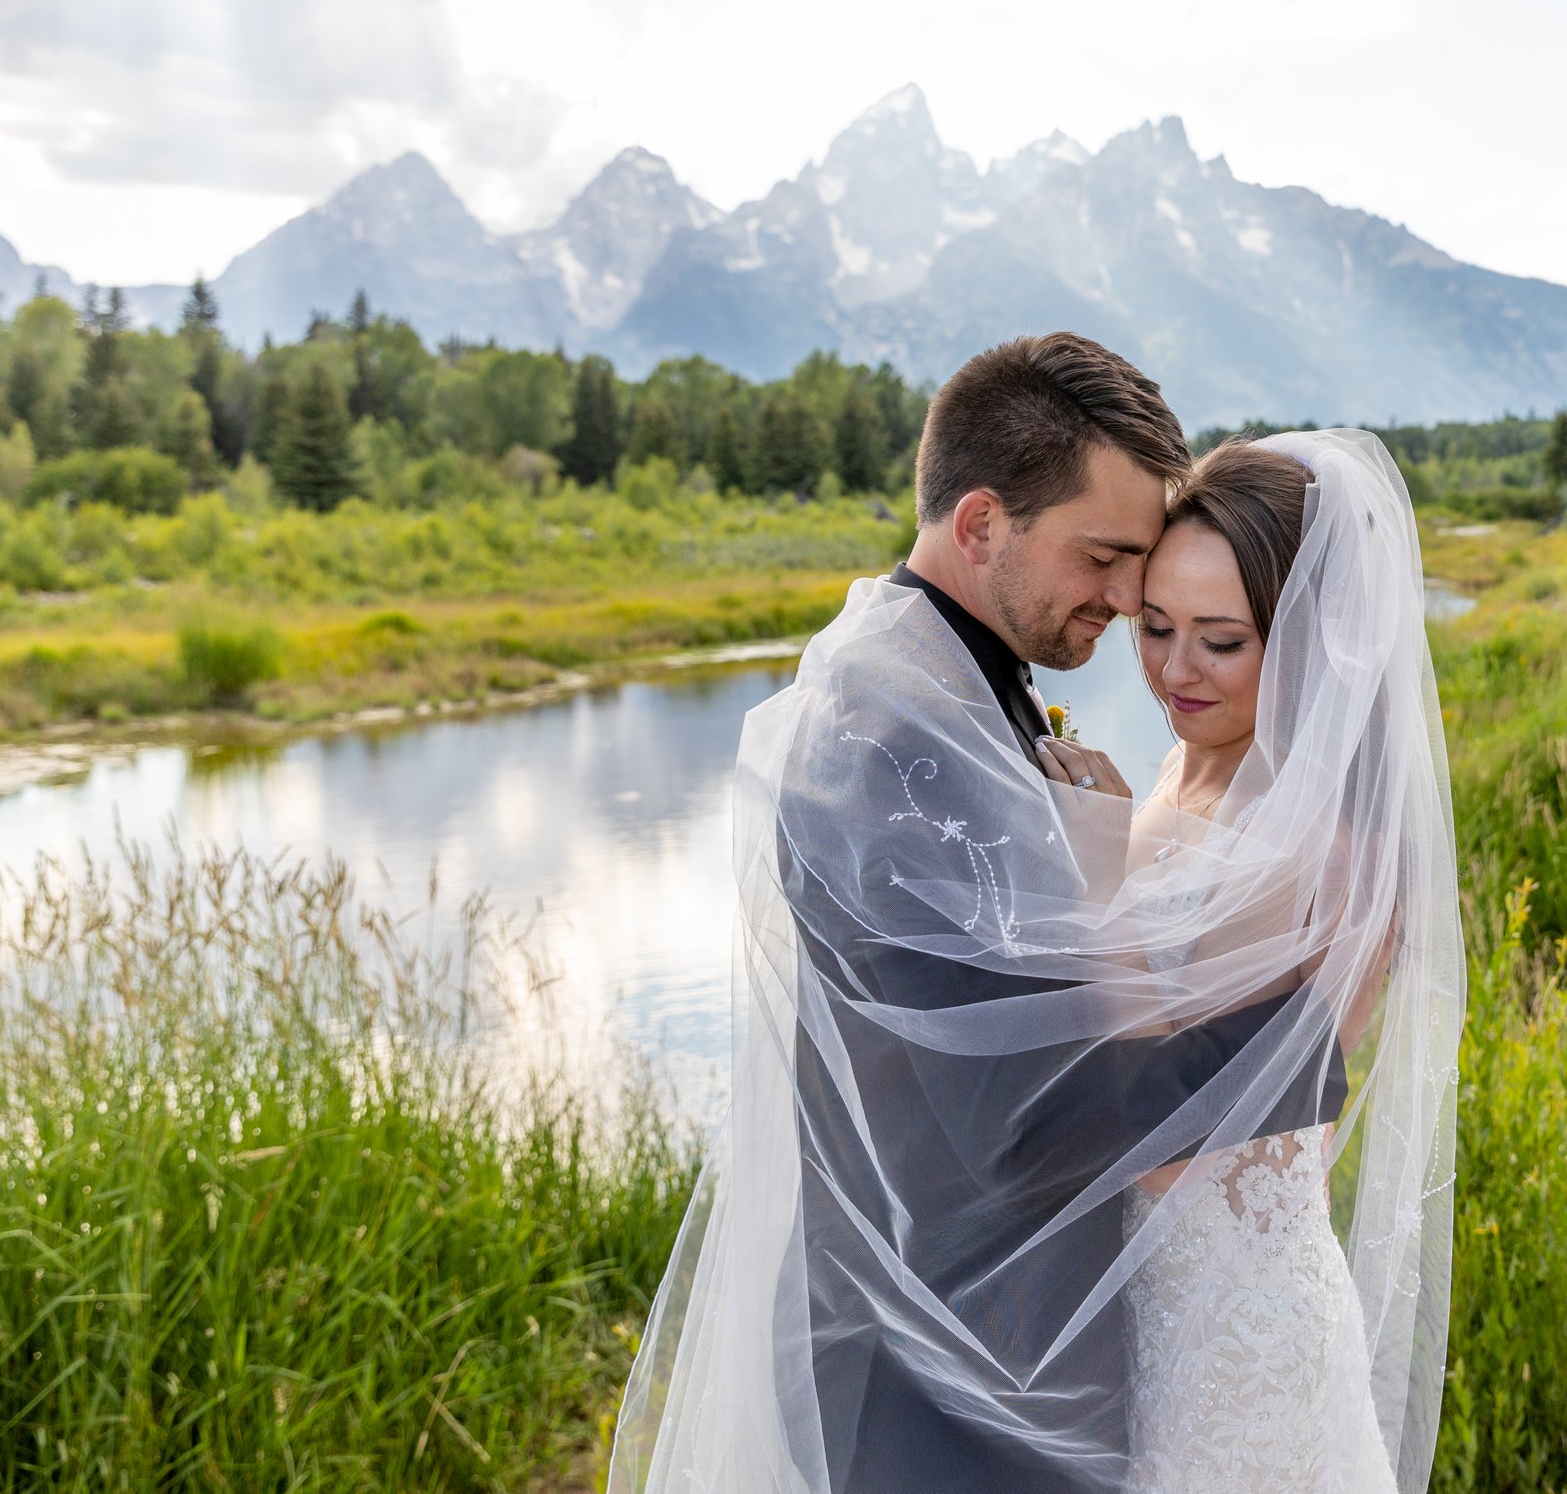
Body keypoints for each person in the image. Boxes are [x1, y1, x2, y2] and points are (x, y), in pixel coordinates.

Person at [609, 335, 1462, 1494]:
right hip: (935, 1368)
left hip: (1172, 1328)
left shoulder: (974, 695)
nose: (1135, 622)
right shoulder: (888, 735)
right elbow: (1017, 1117)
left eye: (1212, 632)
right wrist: (1294, 1048)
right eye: (1114, 570)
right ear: (980, 525)